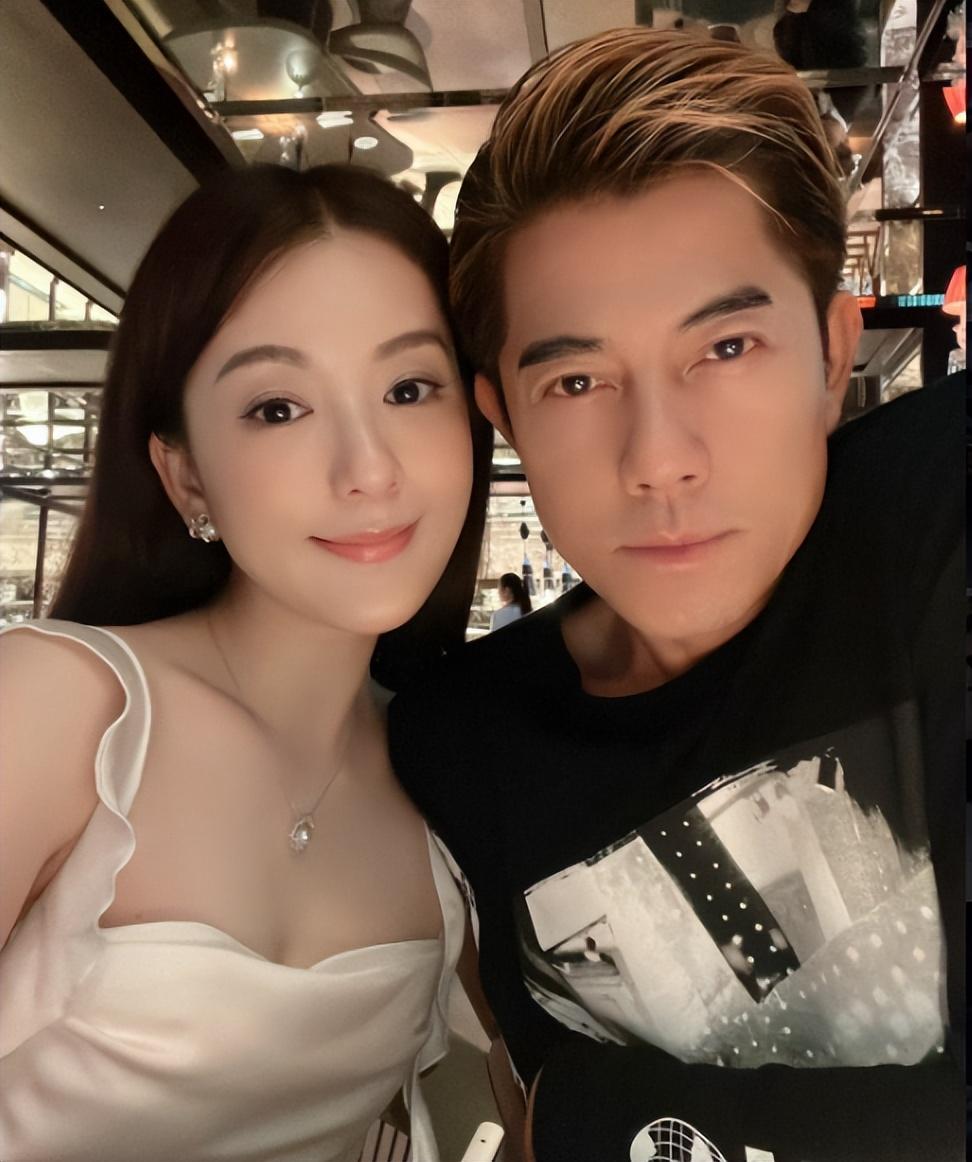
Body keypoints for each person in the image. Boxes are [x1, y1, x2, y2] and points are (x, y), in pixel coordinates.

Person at [388, 29, 964, 1162]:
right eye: (577, 379)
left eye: (728, 347)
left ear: (832, 354)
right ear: (504, 417)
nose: (659, 458)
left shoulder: (937, 519)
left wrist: (585, 1121)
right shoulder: (460, 743)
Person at [0, 163, 491, 1161]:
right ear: (185, 473)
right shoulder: (62, 710)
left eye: (408, 389)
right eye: (278, 407)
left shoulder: (456, 771)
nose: (369, 469)